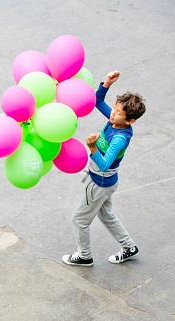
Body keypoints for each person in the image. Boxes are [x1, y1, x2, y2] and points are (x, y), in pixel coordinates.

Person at [62, 70, 146, 267]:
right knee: (106, 214)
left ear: (130, 121)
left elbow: (105, 163)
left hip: (99, 183)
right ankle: (129, 246)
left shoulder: (119, 138)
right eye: (114, 109)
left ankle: (84, 256)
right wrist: (107, 83)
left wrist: (92, 147)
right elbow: (98, 101)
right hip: (107, 183)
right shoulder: (116, 122)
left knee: (79, 220)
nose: (112, 114)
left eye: (118, 113)